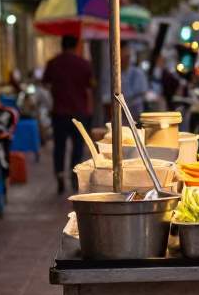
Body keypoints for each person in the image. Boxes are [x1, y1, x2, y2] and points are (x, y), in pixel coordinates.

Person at [43, 35, 95, 194]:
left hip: (59, 111)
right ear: (76, 45)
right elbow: (92, 84)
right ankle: (74, 174)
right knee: (78, 145)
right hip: (79, 112)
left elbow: (45, 83)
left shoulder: (53, 63)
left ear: (62, 45)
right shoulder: (84, 64)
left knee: (60, 145)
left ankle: (59, 175)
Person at [101, 44, 149, 116]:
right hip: (116, 114)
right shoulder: (109, 74)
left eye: (125, 58)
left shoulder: (138, 73)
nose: (123, 60)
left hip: (135, 113)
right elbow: (105, 95)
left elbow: (142, 93)